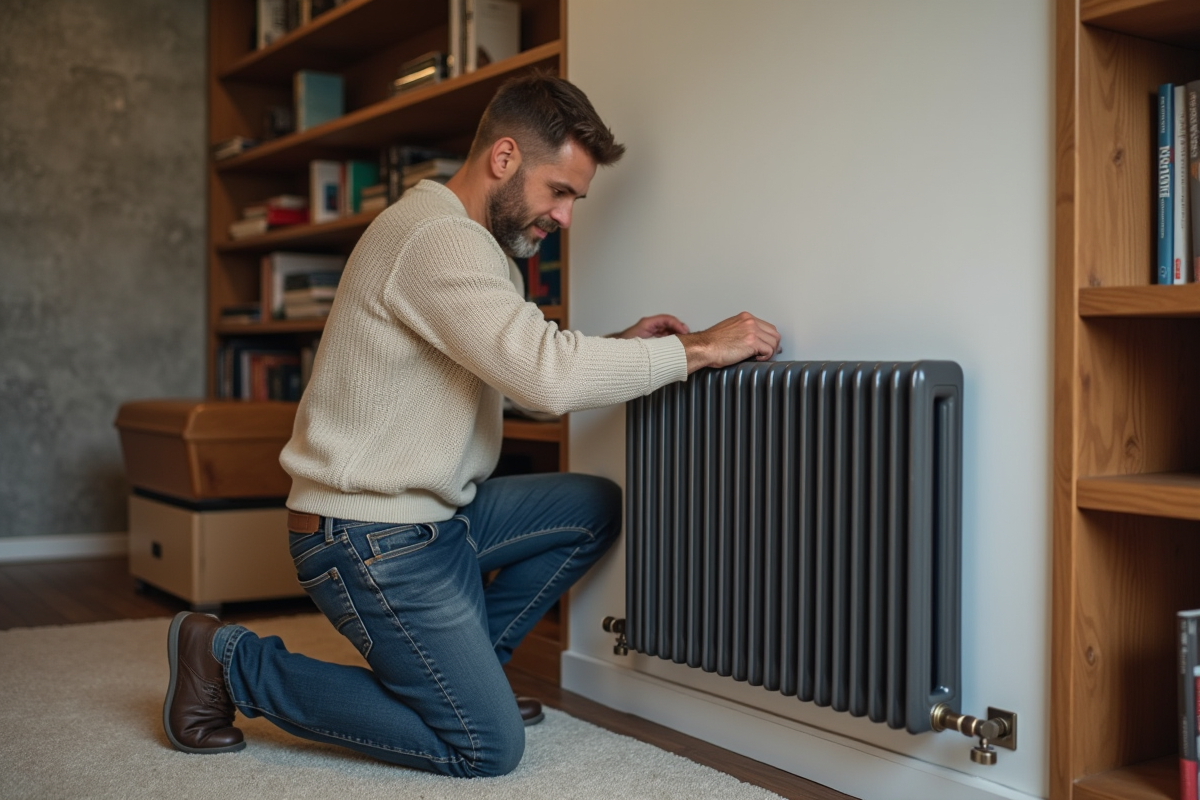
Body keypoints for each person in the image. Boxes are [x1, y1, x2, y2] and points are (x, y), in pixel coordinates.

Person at [162, 73, 780, 778]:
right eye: (561, 191)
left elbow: (532, 388)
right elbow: (543, 374)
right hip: (368, 536)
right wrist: (697, 349)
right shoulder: (438, 241)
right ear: (505, 157)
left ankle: (464, 679)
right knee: (484, 746)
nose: (566, 216)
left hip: (430, 521)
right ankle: (228, 663)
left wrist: (626, 345)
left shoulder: (471, 245)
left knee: (591, 505)